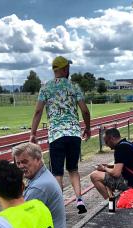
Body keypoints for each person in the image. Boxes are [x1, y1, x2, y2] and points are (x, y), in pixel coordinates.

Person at [30, 56, 91, 214]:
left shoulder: (46, 88)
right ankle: (79, 199)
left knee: (57, 173)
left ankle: (59, 207)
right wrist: (88, 128)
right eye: (68, 68)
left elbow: (38, 111)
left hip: (56, 134)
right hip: (73, 133)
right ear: (65, 69)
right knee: (73, 169)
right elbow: (85, 110)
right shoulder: (74, 86)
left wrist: (33, 133)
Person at [90, 128, 133, 200]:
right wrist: (108, 166)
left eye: (106, 142)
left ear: (112, 138)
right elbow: (125, 165)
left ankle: (110, 202)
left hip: (129, 183)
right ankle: (111, 198)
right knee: (105, 172)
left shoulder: (120, 148)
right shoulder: (126, 144)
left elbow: (116, 173)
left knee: (94, 176)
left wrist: (104, 168)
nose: (107, 145)